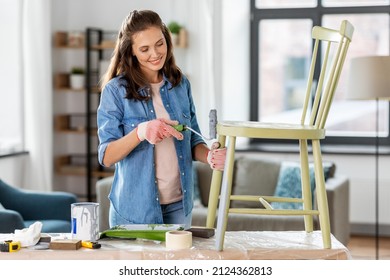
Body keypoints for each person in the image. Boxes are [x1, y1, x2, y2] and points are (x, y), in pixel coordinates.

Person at [97, 10, 226, 230]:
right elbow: (106, 157)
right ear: (132, 52)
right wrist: (140, 132)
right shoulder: (115, 91)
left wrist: (210, 157)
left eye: (160, 43)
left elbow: (192, 140)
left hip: (178, 206)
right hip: (134, 210)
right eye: (144, 49)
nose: (155, 54)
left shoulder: (180, 84)